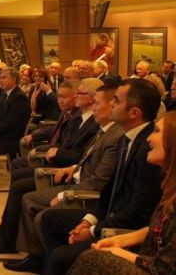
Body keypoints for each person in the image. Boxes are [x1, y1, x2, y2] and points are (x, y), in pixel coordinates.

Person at [40, 79, 163, 274]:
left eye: (117, 100)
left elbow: (137, 213)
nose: (111, 103)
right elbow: (109, 191)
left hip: (125, 229)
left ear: (134, 113)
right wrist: (88, 221)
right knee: (50, 219)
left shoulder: (148, 150)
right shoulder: (126, 138)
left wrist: (92, 231)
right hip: (110, 216)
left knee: (60, 256)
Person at [2, 83, 124, 273]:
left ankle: (41, 258)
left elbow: (99, 181)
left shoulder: (114, 136)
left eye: (97, 103)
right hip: (74, 177)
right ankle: (33, 253)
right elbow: (85, 158)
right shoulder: (103, 130)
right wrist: (73, 168)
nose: (93, 108)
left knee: (35, 205)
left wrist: (64, 194)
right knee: (25, 190)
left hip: (84, 192)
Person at [68, 111, 176, 274]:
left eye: (157, 131)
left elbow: (165, 268)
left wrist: (118, 252)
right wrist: (119, 240)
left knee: (91, 258)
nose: (149, 138)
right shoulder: (170, 187)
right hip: (146, 256)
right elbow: (156, 228)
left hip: (156, 267)